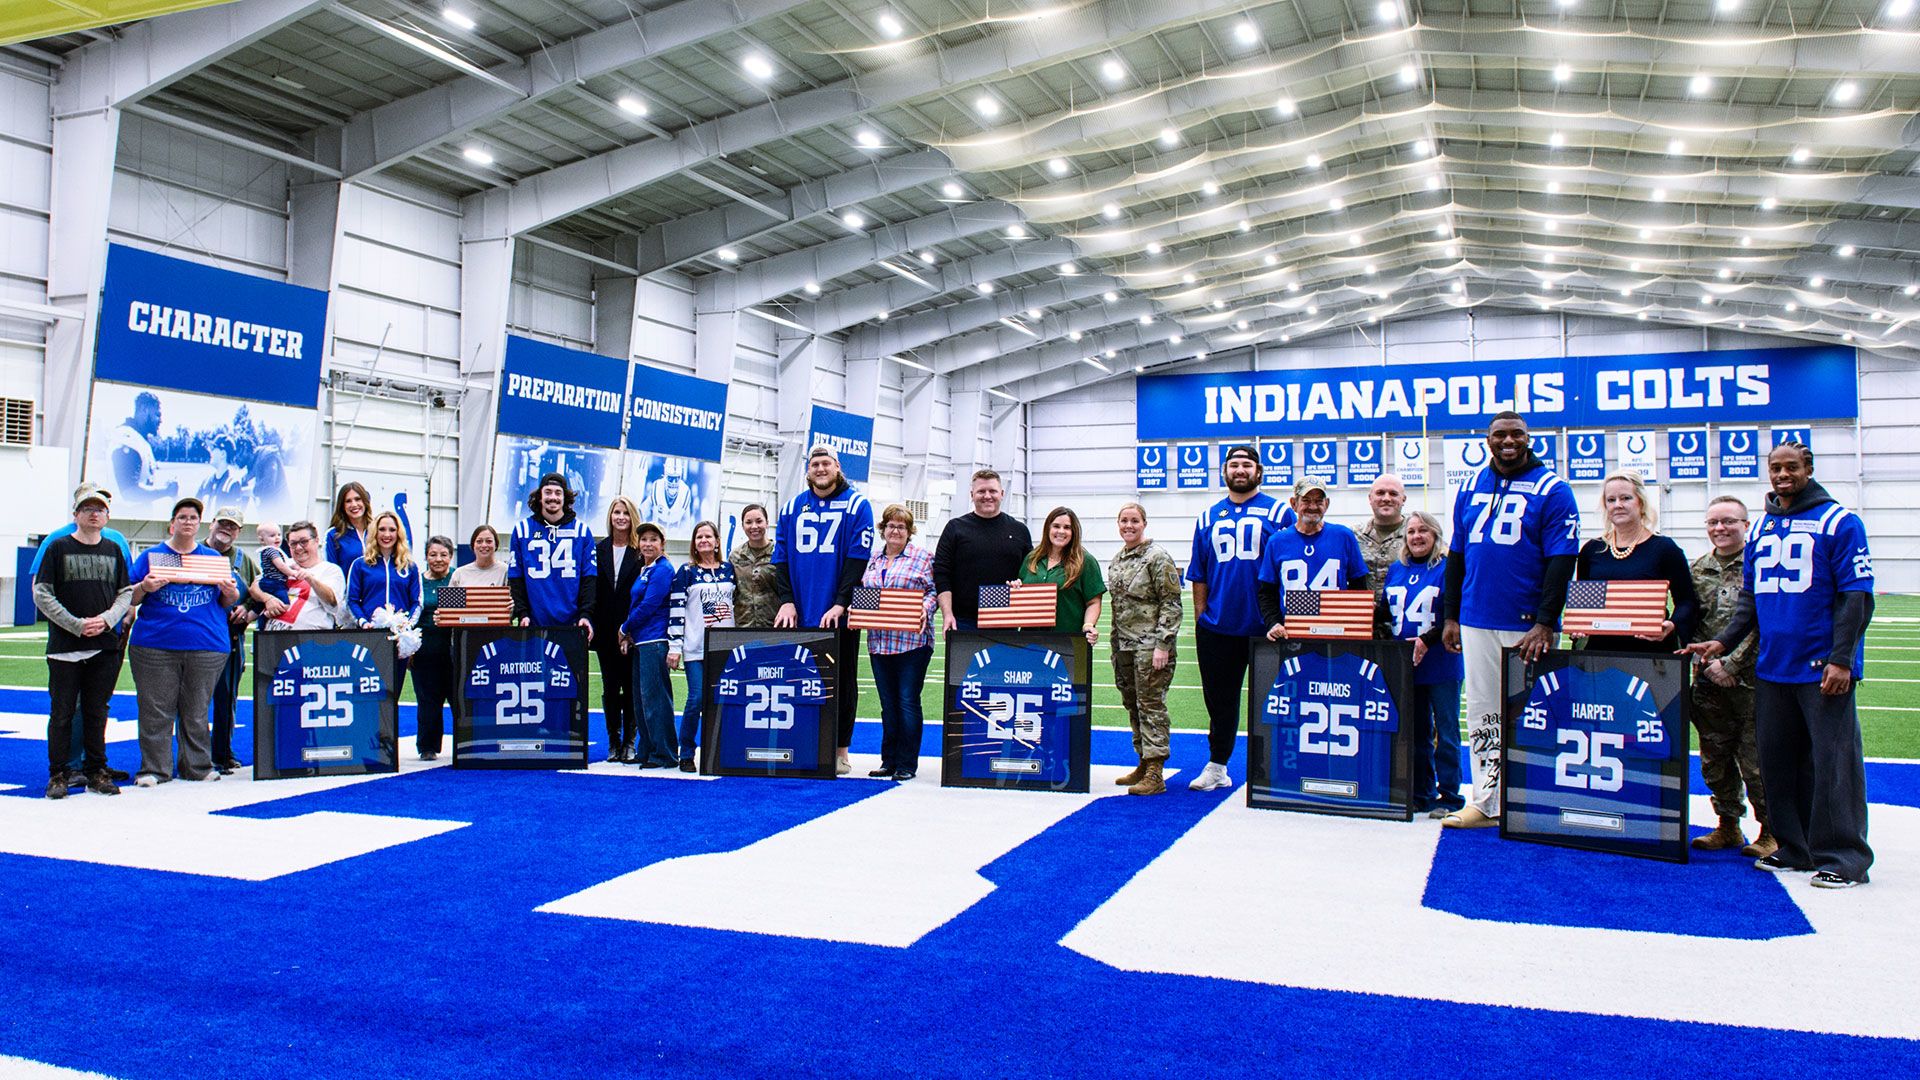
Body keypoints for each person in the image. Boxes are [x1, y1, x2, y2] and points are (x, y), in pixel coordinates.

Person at [1681, 442, 1874, 888]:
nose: (1783, 474)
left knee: (1833, 764)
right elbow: (1751, 599)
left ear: (1809, 467)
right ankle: (1796, 847)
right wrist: (1723, 642)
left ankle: (1845, 857)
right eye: (1775, 468)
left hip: (1820, 666)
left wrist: (1841, 660)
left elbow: (1856, 597)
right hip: (1772, 668)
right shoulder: (1766, 525)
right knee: (1779, 763)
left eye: (1791, 466)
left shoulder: (1839, 521)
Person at [1440, 412, 1581, 829]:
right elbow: (1457, 557)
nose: (1508, 441)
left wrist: (1546, 621)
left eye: (1516, 434)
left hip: (1525, 621)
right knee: (1483, 709)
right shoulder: (1469, 486)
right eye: (1499, 434)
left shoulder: (1552, 488)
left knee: (1534, 710)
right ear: (1487, 440)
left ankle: (1537, 796)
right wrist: (1451, 615)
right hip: (1476, 617)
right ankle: (1486, 800)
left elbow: (1562, 559)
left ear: (1528, 439)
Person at [1184, 444, 1292, 792]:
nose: (1240, 470)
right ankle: (1218, 765)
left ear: (1258, 471)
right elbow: (1198, 573)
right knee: (1220, 701)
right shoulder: (1207, 516)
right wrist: (1202, 616)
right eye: (1234, 464)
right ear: (1225, 471)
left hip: (1267, 627)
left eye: (1247, 464)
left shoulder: (1278, 512)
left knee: (1273, 700)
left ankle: (1272, 767)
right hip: (1219, 626)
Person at [772, 445, 875, 776]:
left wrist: (841, 602)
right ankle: (806, 742)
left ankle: (841, 750)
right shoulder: (791, 507)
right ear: (808, 469)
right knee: (800, 679)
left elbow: (857, 558)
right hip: (801, 609)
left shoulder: (858, 504)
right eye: (814, 464)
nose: (820, 468)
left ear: (837, 467)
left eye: (825, 463)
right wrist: (787, 599)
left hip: (839, 611)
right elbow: (782, 558)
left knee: (842, 680)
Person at [127, 497, 240, 787]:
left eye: (193, 518)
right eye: (183, 517)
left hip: (206, 643)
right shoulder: (151, 557)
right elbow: (129, 596)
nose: (188, 522)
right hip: (155, 643)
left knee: (197, 710)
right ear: (172, 523)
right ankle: (154, 769)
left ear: (200, 524)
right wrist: (145, 586)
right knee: (155, 709)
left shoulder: (213, 560)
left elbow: (228, 602)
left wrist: (230, 592)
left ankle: (198, 766)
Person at [1686, 495, 1773, 857]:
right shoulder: (1698, 568)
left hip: (1751, 679)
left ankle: (1771, 831)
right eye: (1713, 523)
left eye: (1728, 522)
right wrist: (1707, 665)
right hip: (1709, 681)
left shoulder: (1760, 564)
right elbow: (1690, 618)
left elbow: (1762, 621)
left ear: (1745, 525)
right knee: (1714, 758)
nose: (1719, 529)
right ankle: (1728, 826)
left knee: (1757, 761)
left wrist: (1731, 665)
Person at [31, 484, 135, 781]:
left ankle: (95, 766)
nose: (95, 513)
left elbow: (124, 590)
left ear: (107, 513)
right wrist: (75, 624)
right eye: (88, 507)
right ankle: (65, 768)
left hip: (106, 639)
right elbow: (41, 590)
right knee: (64, 710)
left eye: (100, 508)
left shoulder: (115, 544)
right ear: (76, 511)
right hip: (67, 642)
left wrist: (108, 620)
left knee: (96, 708)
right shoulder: (56, 543)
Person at [1377, 511, 1466, 816]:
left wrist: (1427, 639)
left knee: (1447, 730)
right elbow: (1386, 615)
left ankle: (1451, 794)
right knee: (1415, 732)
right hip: (1407, 663)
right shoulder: (1396, 570)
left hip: (1441, 661)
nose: (1416, 536)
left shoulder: (1448, 568)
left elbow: (1454, 614)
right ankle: (1421, 791)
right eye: (1411, 531)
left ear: (1435, 535)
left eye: (1423, 531)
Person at [1571, 472, 1699, 653]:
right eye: (1611, 500)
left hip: (1650, 652)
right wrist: (1579, 625)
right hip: (1600, 653)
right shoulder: (1592, 550)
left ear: (1641, 502)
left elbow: (1686, 601)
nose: (1618, 505)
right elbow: (1584, 605)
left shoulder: (1665, 549)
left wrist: (1671, 625)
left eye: (1626, 498)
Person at [1107, 502, 1182, 796]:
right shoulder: (1118, 559)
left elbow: (1171, 604)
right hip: (1124, 647)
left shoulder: (1157, 557)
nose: (1129, 525)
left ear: (1144, 523)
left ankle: (1155, 771)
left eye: (1134, 521)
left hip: (1151, 647)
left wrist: (1163, 644)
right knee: (1132, 704)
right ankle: (1142, 761)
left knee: (1151, 706)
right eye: (1124, 520)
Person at [862, 504, 937, 781]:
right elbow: (866, 596)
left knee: (907, 702)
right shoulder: (873, 560)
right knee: (887, 704)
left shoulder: (923, 557)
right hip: (879, 641)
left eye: (902, 526)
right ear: (883, 530)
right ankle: (888, 761)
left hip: (912, 642)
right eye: (891, 525)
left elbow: (934, 591)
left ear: (909, 532)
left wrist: (925, 608)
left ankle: (907, 764)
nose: (896, 530)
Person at [1256, 476, 1370, 639]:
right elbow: (1267, 592)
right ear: (1294, 504)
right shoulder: (1277, 541)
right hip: (1292, 633)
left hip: (1335, 632)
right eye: (1306, 500)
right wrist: (1274, 623)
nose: (1313, 506)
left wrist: (1354, 624)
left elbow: (1359, 585)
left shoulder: (1343, 536)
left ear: (1327, 504)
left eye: (1319, 501)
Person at [668, 521, 736, 772]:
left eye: (709, 536)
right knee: (696, 698)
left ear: (717, 541)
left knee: (721, 699)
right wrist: (675, 646)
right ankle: (686, 752)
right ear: (694, 543)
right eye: (699, 537)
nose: (704, 540)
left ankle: (717, 749)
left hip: (724, 648)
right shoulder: (686, 572)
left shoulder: (729, 570)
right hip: (696, 646)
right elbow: (676, 611)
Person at [933, 468, 1033, 632]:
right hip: (963, 622)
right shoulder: (955, 528)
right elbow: (941, 573)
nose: (987, 496)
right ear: (972, 495)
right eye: (981, 491)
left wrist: (1021, 583)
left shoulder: (1019, 530)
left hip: (1007, 621)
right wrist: (947, 614)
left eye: (992, 491)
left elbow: (1030, 572)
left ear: (1001, 493)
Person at [205, 506, 260, 773]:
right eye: (223, 523)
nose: (226, 529)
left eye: (233, 526)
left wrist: (248, 609)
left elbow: (262, 591)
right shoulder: (194, 553)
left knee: (227, 698)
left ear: (239, 531)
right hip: (197, 638)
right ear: (211, 524)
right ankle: (195, 755)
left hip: (231, 638)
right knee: (194, 701)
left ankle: (222, 752)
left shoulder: (244, 560)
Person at [508, 472, 597, 637]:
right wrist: (523, 612)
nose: (553, 497)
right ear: (540, 496)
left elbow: (589, 578)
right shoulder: (522, 531)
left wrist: (585, 614)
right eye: (548, 492)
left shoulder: (582, 532)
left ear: (565, 497)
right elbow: (516, 577)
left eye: (558, 493)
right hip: (534, 623)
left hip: (571, 623)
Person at [620, 523, 677, 769]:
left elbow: (650, 605)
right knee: (641, 700)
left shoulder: (663, 569)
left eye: (653, 539)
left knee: (655, 700)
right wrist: (630, 633)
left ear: (662, 544)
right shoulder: (646, 568)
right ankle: (647, 749)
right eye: (644, 539)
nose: (648, 544)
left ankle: (663, 753)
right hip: (640, 641)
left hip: (654, 640)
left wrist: (624, 628)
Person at [347, 509, 423, 693]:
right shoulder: (360, 564)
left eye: (391, 529)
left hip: (399, 638)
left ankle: (392, 723)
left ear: (398, 533)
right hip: (370, 636)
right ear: (375, 532)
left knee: (393, 692)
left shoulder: (409, 566)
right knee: (368, 692)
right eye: (382, 529)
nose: (387, 534)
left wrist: (407, 625)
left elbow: (417, 601)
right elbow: (351, 601)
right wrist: (364, 623)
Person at [592, 498, 644, 763]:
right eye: (616, 512)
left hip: (631, 631)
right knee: (610, 687)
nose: (621, 517)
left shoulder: (640, 553)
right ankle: (613, 742)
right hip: (604, 632)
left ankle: (629, 743)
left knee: (630, 687)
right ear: (610, 516)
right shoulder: (598, 549)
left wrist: (631, 629)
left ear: (632, 517)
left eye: (625, 513)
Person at [1020, 507, 1105, 644]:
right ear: (1048, 528)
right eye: (1056, 526)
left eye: (1067, 527)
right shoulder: (1032, 558)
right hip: (1031, 641)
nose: (1061, 531)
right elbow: (1021, 592)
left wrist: (1088, 625)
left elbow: (1094, 602)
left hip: (1068, 642)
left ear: (1074, 532)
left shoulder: (1085, 561)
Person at [414, 535, 457, 761]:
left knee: (457, 697)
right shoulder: (418, 581)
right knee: (427, 700)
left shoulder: (455, 579)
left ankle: (463, 744)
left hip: (451, 647)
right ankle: (427, 746)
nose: (438, 559)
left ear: (451, 556)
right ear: (426, 556)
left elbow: (459, 615)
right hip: (424, 648)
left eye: (443, 555)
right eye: (433, 554)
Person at [260, 522, 346, 631]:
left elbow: (332, 601)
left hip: (308, 641)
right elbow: (255, 586)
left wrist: (310, 578)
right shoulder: (283, 564)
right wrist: (267, 599)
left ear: (316, 541)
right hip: (272, 640)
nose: (299, 548)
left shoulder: (331, 570)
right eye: (293, 543)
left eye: (304, 542)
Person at [109, 390, 177, 512]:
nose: (160, 420)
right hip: (124, 516)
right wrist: (166, 491)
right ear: (145, 410)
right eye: (157, 415)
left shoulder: (139, 439)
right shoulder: (127, 438)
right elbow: (129, 492)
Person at [729, 504, 780, 629]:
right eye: (748, 522)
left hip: (775, 626)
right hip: (744, 626)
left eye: (759, 521)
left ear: (767, 523)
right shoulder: (735, 556)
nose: (754, 526)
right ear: (742, 526)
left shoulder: (780, 553)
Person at [1357, 473, 1409, 592]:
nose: (1386, 498)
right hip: (1363, 609)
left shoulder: (1417, 537)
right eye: (1380, 493)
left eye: (1393, 494)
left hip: (1402, 609)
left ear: (1403, 499)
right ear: (1370, 498)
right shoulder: (1353, 537)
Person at [325, 482, 373, 576]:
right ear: (342, 506)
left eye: (358, 499)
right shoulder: (333, 535)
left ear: (365, 501)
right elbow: (331, 574)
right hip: (348, 590)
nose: (354, 504)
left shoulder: (378, 531)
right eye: (348, 501)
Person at [253, 521, 295, 613]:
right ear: (262, 540)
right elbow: (281, 566)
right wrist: (293, 573)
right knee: (286, 604)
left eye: (279, 535)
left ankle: (250, 618)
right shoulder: (272, 551)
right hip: (275, 583)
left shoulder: (267, 551)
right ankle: (266, 615)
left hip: (266, 582)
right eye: (272, 536)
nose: (277, 538)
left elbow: (287, 563)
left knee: (259, 607)